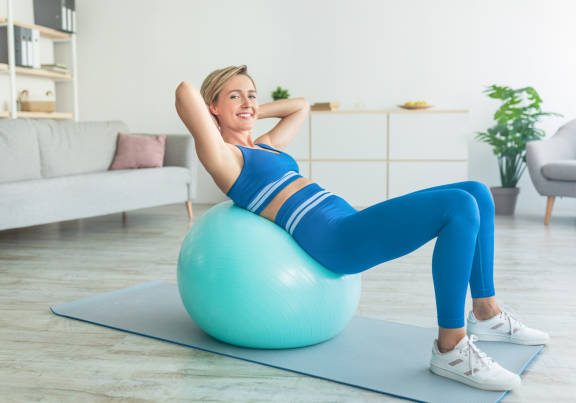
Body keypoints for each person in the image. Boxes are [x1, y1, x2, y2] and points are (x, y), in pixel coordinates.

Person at [175, 65, 550, 392]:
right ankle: (450, 348)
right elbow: (184, 93)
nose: (247, 103)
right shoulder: (226, 158)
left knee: (476, 191)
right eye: (234, 96)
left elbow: (300, 106)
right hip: (335, 240)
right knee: (459, 206)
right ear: (213, 107)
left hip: (347, 219)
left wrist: (250, 112)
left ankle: (486, 313)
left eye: (251, 95)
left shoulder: (265, 145)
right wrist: (223, 119)